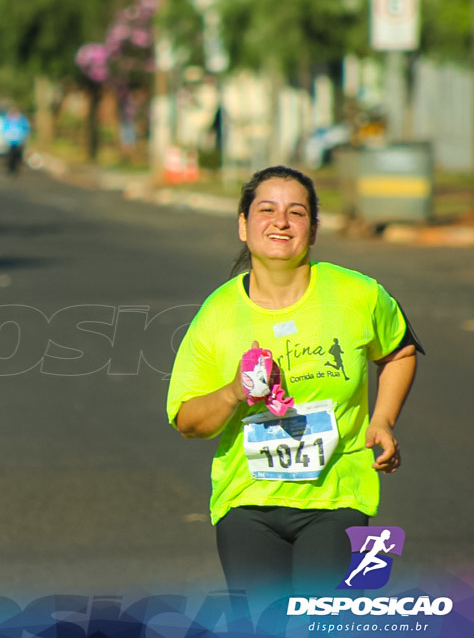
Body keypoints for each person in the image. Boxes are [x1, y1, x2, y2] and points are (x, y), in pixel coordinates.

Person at [165, 165, 419, 609]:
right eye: (266, 209)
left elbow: (399, 350)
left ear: (313, 230)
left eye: (296, 212)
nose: (280, 221)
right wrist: (233, 394)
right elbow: (188, 422)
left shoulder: (358, 294)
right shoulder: (217, 313)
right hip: (247, 502)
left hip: (338, 495)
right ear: (244, 225)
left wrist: (383, 419)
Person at [3, 105, 30, 174]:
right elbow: (5, 128)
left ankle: (16, 168)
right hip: (11, 141)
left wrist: (24, 137)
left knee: (17, 155)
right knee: (11, 155)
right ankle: (11, 168)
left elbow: (26, 128)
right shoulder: (8, 119)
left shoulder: (22, 119)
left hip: (19, 140)